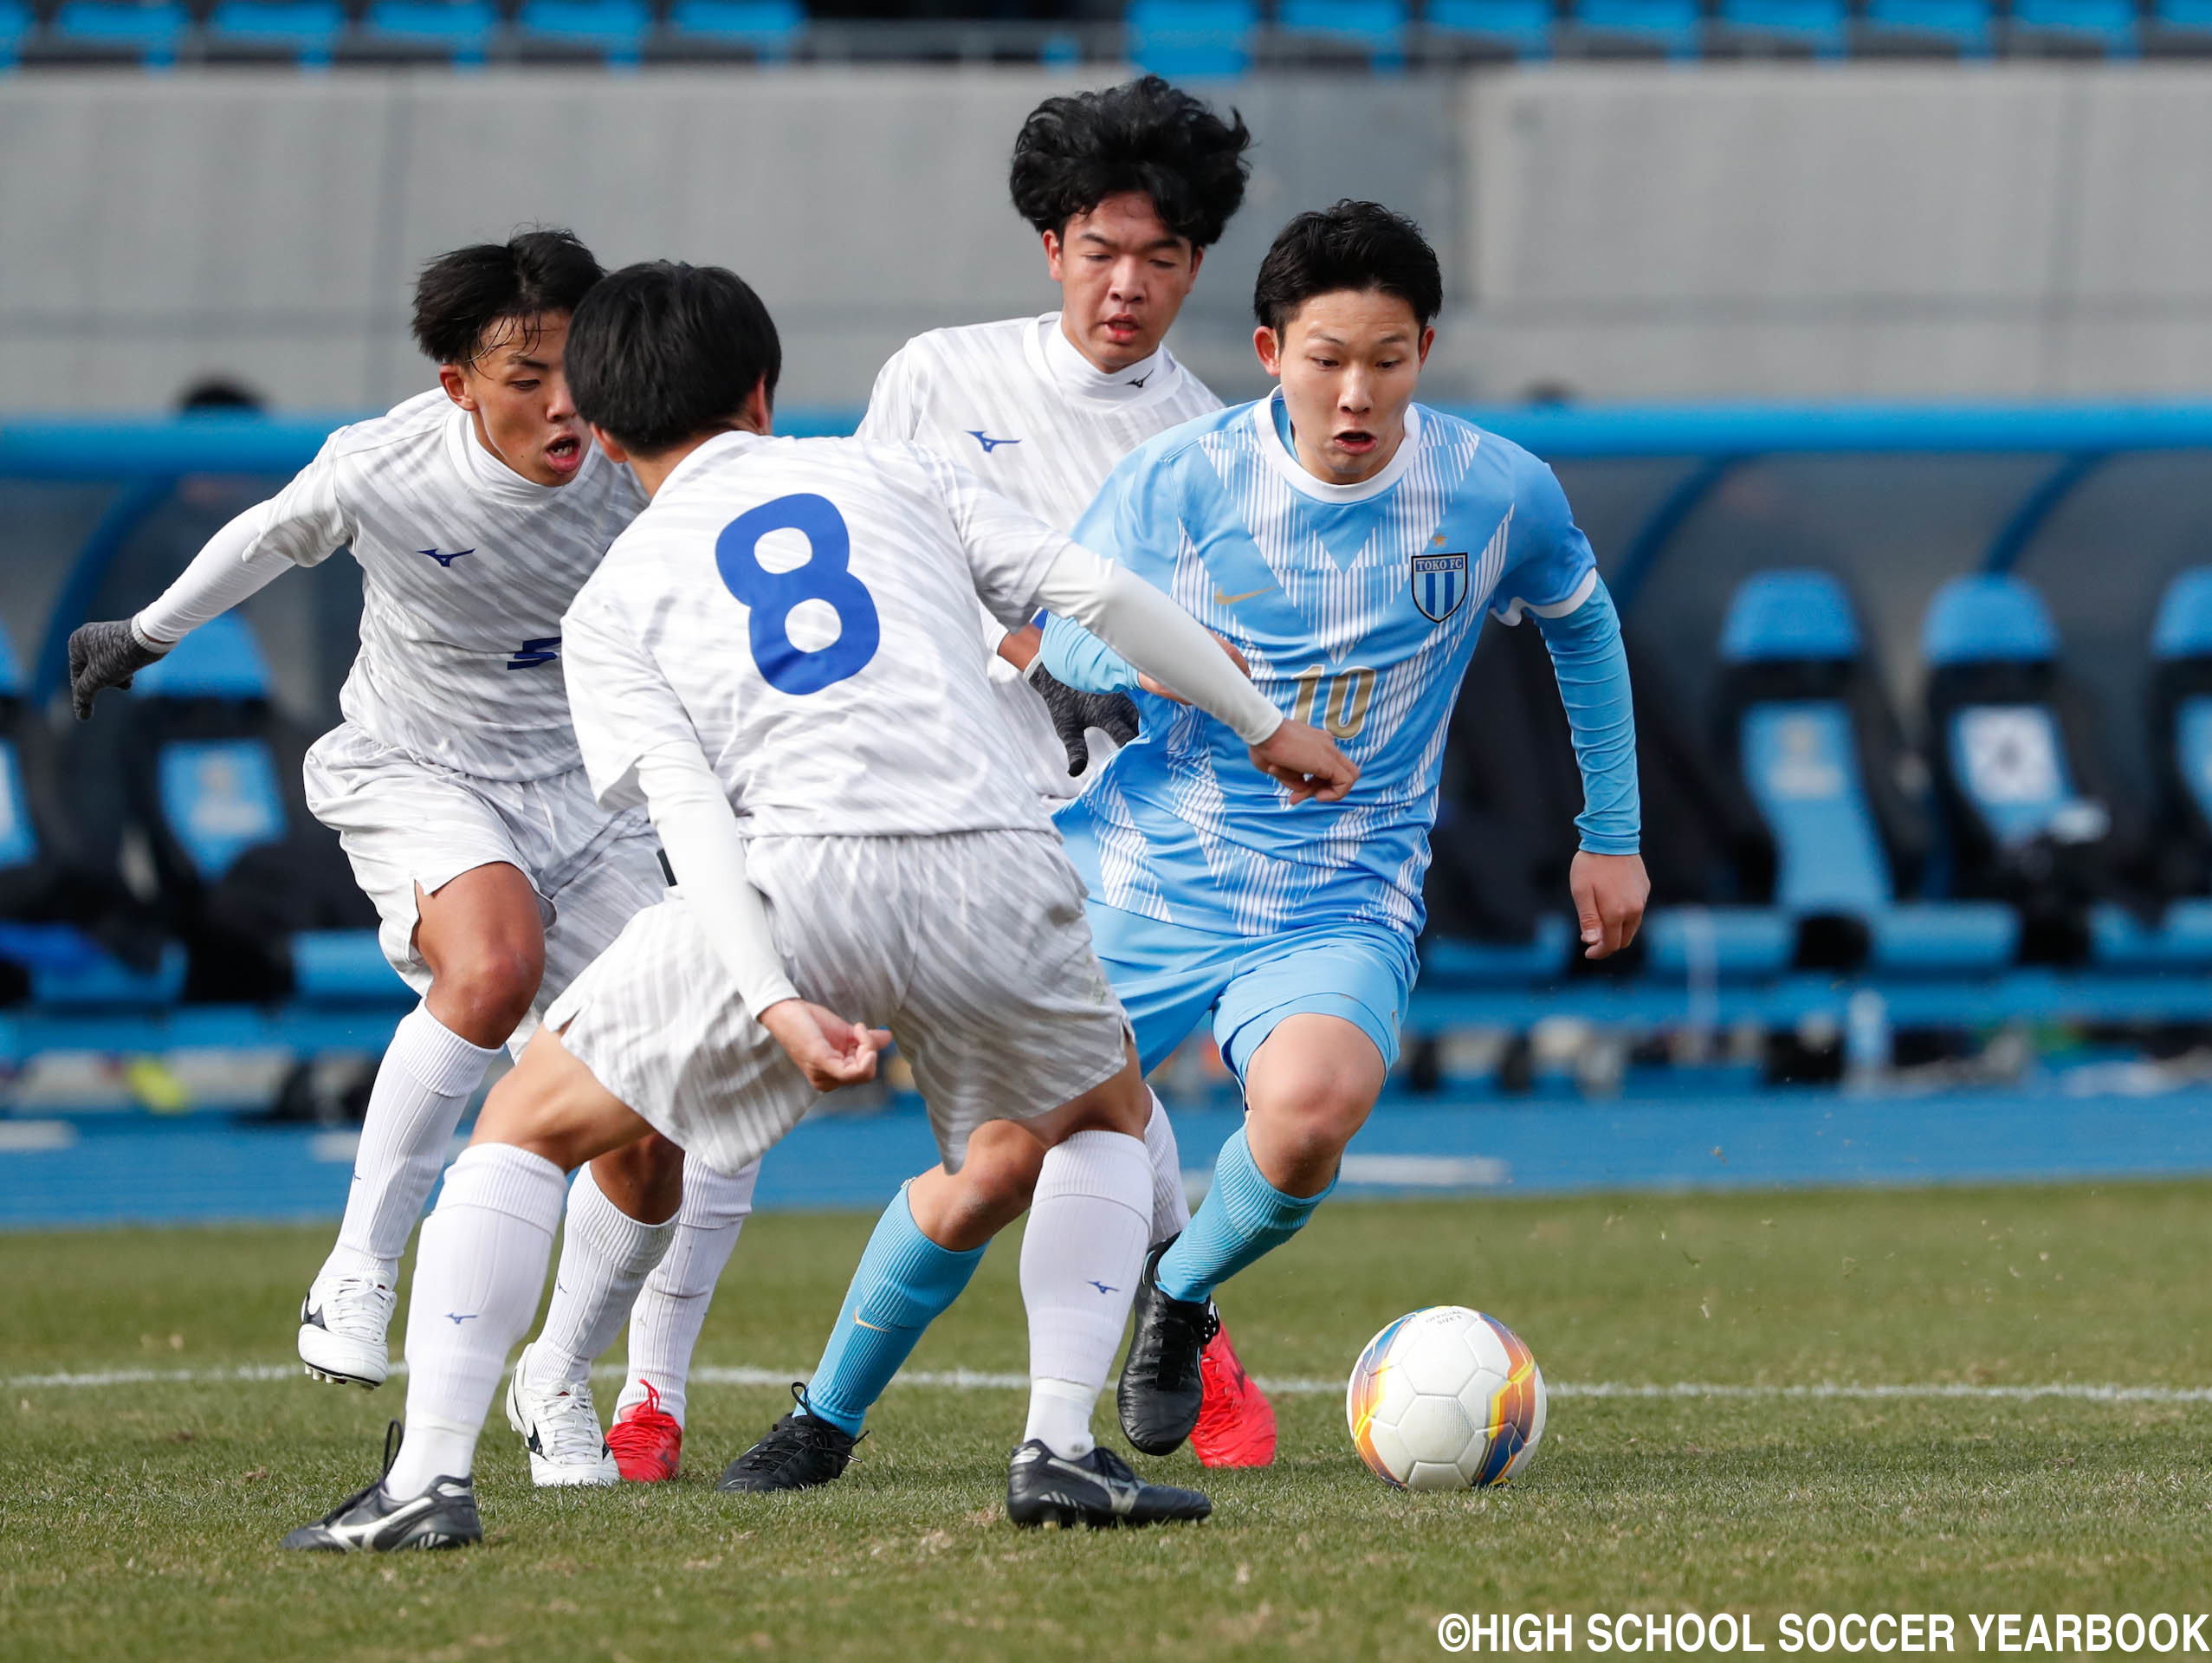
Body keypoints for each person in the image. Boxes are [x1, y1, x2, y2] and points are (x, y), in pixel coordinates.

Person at [277, 259, 1355, 1552]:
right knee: (1105, 1116)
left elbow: (684, 812)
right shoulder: (893, 472)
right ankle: (1060, 1450)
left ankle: (428, 1482)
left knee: (521, 1127)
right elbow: (1099, 598)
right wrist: (1264, 722)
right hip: (996, 858)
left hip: (802, 871)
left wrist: (775, 994)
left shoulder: (615, 595)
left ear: (607, 434)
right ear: (762, 392)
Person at [739, 199, 1647, 1492]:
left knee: (1310, 1114)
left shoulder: (1497, 487)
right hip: (1137, 879)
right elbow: (1070, 635)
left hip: (1340, 899)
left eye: (1386, 360)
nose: (1356, 393)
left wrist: (1607, 833)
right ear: (1271, 350)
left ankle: (1179, 1288)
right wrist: (1190, 675)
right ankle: (823, 1418)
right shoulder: (1180, 477)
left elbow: (1582, 625)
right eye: (1327, 358)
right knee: (995, 1162)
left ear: (1423, 352)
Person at [522, 74, 1275, 1488]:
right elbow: (853, 560)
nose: (1126, 286)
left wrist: (1190, 703)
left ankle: (1082, 1360)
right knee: (709, 1102)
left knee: (1035, 1149)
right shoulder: (937, 375)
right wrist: (1019, 649)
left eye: (1160, 259)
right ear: (1048, 244)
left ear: (1197, 267)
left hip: (1073, 839)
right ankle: (639, 1391)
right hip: (865, 794)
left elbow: (1179, 640)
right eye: (1100, 250)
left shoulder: (1212, 449)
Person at [65, 232, 669, 1429]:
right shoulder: (384, 463)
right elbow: (267, 536)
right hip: (419, 766)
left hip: (592, 792)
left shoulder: (646, 454)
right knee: (491, 968)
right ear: (458, 384)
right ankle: (359, 1265)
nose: (564, 405)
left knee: (657, 1116)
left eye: (578, 372)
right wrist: (146, 632)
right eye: (526, 377)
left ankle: (556, 1379)